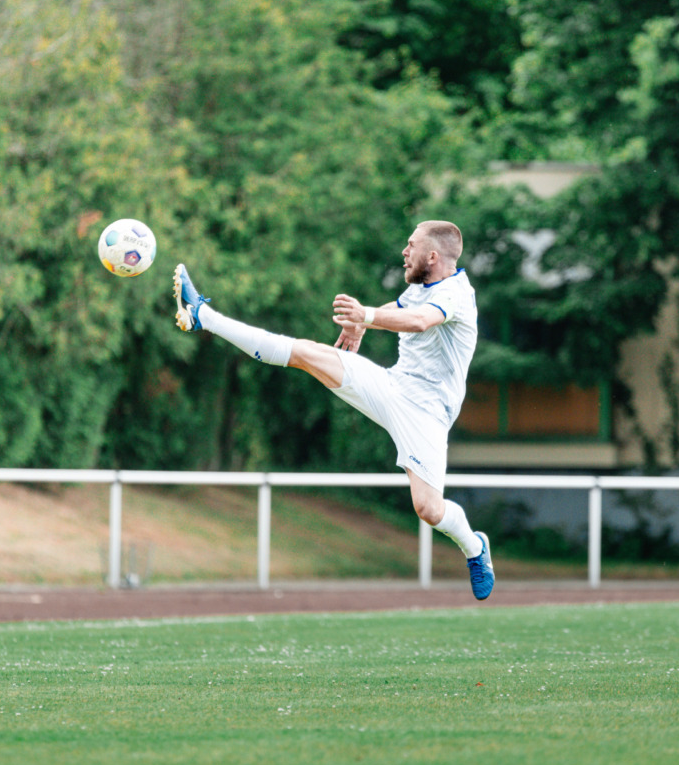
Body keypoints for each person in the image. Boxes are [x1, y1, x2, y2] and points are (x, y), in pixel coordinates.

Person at [172, 220, 493, 600]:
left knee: (428, 509)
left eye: (411, 245)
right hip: (392, 387)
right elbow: (405, 307)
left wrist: (367, 316)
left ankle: (475, 547)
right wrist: (364, 325)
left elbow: (421, 320)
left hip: (428, 413)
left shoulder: (455, 293)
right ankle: (202, 316)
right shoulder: (422, 287)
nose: (404, 252)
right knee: (306, 354)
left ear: (433, 256)